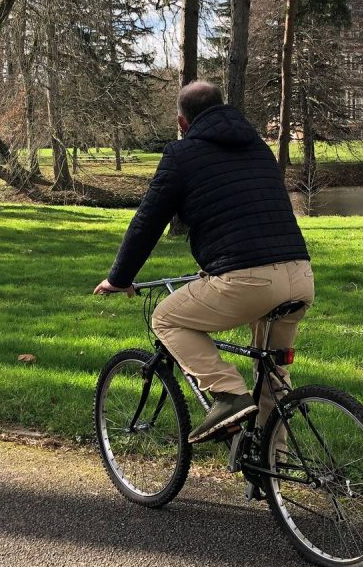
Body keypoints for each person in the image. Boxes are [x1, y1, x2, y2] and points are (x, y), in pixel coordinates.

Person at [94, 81, 314, 442]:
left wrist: (119, 278)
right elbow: (246, 212)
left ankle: (228, 394)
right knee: (273, 373)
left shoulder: (182, 155)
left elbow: (147, 222)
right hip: (300, 274)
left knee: (166, 318)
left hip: (248, 281)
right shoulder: (258, 147)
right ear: (224, 108)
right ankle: (272, 468)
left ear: (183, 123)